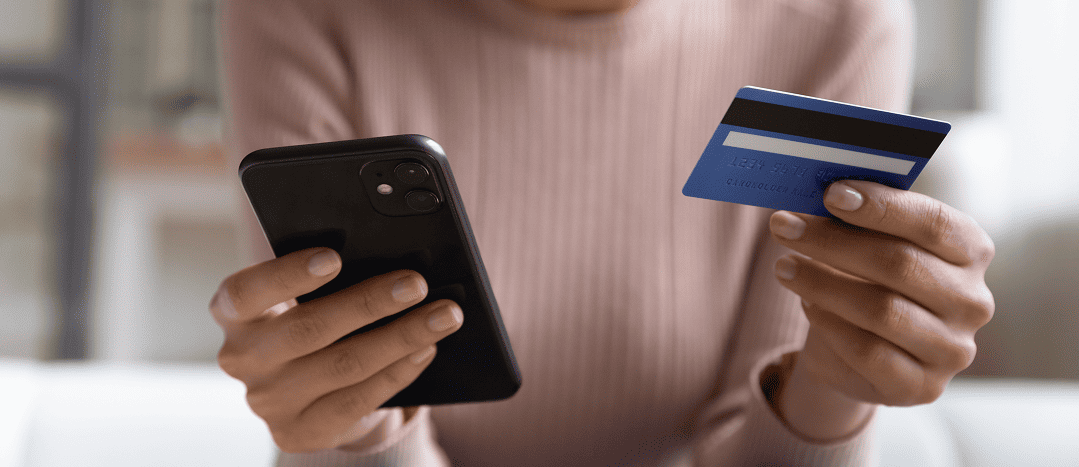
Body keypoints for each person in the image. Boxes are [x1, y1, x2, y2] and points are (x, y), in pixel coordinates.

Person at [211, 0, 996, 465]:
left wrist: (837, 382)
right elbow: (339, 385)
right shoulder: (303, 11)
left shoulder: (829, 18)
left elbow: (770, 425)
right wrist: (350, 429)